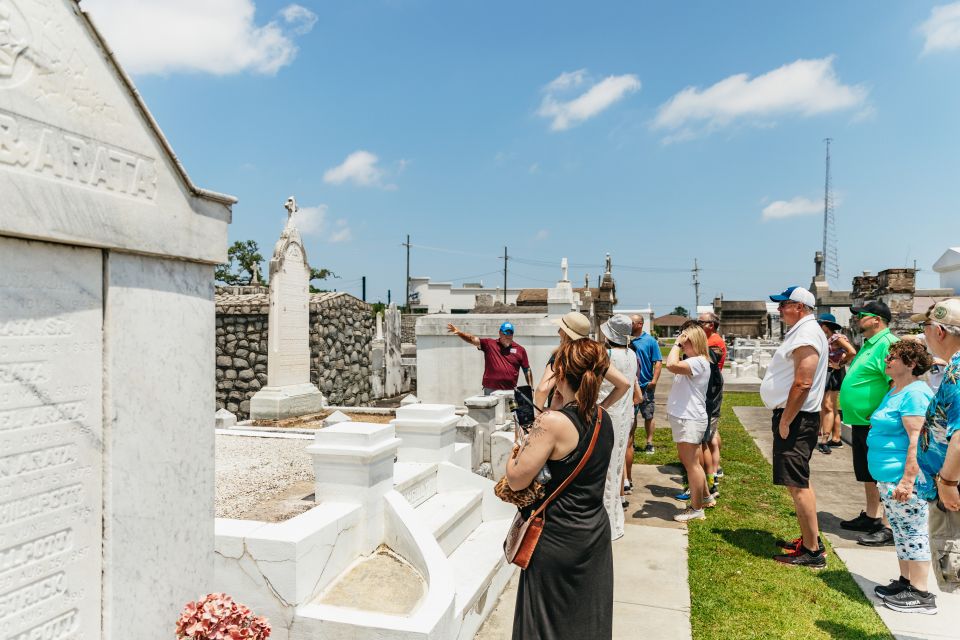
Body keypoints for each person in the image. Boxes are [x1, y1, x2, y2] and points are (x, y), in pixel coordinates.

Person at [507, 338, 614, 639]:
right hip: (592, 532)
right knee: (585, 622)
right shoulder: (604, 417)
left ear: (561, 374)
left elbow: (516, 478)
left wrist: (518, 445)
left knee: (544, 624)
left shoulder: (553, 423)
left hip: (556, 536)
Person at [865, 340, 937, 613]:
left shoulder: (916, 393)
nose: (887, 361)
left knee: (914, 532)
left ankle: (922, 594)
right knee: (901, 531)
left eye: (893, 358)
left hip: (904, 480)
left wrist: (907, 480)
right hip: (888, 478)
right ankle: (906, 582)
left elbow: (917, 440)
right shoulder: (896, 389)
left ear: (911, 364)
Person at [760, 286, 828, 567]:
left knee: (797, 484)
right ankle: (809, 539)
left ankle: (811, 552)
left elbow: (803, 381)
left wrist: (786, 420)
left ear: (799, 306)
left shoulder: (806, 334)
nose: (779, 309)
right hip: (797, 416)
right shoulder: (804, 331)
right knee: (798, 481)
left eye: (783, 304)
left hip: (796, 418)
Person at [839, 300, 899, 546]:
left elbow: (895, 382)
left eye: (861, 315)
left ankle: (888, 524)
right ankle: (872, 515)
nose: (857, 319)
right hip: (862, 422)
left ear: (876, 319)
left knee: (882, 474)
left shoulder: (887, 344)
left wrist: (883, 415)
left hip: (877, 422)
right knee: (867, 472)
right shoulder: (869, 344)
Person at [914, 299, 960, 596]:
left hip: (951, 490)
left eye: (926, 327)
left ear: (940, 331)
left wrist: (947, 481)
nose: (925, 334)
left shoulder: (958, 375)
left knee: (954, 572)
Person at [533, 311, 631, 414]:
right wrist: (601, 408)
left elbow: (542, 389)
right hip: (588, 418)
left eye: (561, 328)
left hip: (562, 418)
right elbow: (624, 384)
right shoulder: (596, 354)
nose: (558, 331)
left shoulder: (562, 354)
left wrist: (539, 413)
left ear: (566, 333)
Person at [665, 323, 714, 522]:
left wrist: (676, 344)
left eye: (686, 342)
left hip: (689, 418)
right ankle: (705, 496)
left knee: (692, 464)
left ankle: (696, 508)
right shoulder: (696, 361)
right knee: (691, 462)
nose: (683, 345)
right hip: (686, 418)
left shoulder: (698, 362)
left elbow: (670, 365)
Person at [598, 314, 641, 539]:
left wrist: (602, 405)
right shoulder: (632, 354)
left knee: (605, 470)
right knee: (615, 467)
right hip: (625, 414)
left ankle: (607, 523)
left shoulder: (606, 355)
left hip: (608, 413)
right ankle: (615, 519)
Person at [447, 321, 532, 394]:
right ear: (500, 333)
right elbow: (473, 339)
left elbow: (527, 370)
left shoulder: (520, 350)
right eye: (505, 333)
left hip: (510, 390)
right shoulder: (489, 344)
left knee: (508, 413)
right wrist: (459, 333)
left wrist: (530, 388)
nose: (508, 336)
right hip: (491, 390)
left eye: (510, 333)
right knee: (491, 413)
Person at [817, 313, 856, 454]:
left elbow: (852, 351)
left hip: (833, 373)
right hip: (830, 372)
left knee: (827, 405)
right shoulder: (828, 338)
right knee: (832, 407)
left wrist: (840, 364)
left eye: (820, 325)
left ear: (825, 326)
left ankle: (824, 439)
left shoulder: (836, 338)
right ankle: (836, 438)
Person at [698, 312, 726, 492]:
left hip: (711, 391)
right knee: (712, 436)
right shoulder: (709, 340)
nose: (698, 324)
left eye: (701, 322)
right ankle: (715, 470)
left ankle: (710, 475)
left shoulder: (713, 342)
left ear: (711, 325)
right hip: (708, 389)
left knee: (706, 439)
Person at [629, 314, 663, 457]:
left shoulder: (650, 341)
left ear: (640, 324)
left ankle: (649, 443)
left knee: (648, 415)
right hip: (631, 385)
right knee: (632, 415)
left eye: (631, 323)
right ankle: (632, 442)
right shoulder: (625, 340)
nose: (629, 325)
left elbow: (658, 362)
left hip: (645, 385)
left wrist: (654, 381)